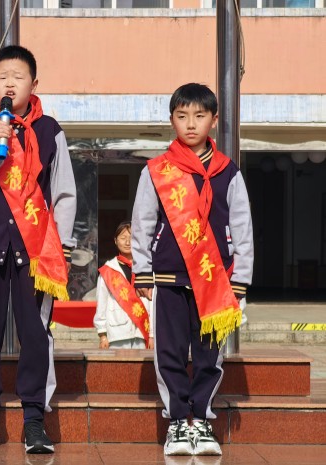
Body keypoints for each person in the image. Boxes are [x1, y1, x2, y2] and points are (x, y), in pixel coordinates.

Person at [0, 45, 76, 454]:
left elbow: (64, 192)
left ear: (33, 84)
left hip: (37, 250)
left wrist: (63, 244)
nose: (10, 83)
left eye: (18, 77)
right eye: (2, 76)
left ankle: (35, 421)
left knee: (35, 334)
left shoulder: (50, 130)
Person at [131, 83, 253, 457]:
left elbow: (242, 226)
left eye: (199, 116)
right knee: (169, 353)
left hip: (215, 282)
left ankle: (200, 418)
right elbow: (142, 223)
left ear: (213, 120)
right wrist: (142, 270)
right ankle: (177, 422)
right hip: (169, 278)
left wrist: (241, 279)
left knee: (208, 355)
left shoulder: (228, 172)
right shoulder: (156, 170)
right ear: (172, 120)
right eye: (182, 116)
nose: (190, 124)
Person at [93, 221, 153, 350]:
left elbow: (152, 302)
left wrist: (152, 334)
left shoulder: (146, 270)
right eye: (123, 238)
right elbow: (101, 303)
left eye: (132, 238)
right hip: (117, 334)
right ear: (115, 241)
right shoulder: (108, 270)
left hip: (142, 332)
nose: (127, 242)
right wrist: (102, 334)